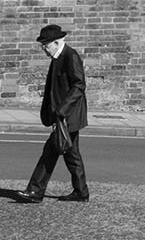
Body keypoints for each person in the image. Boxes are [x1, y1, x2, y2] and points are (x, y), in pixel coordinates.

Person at [20, 23, 90, 203]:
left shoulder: (70, 56)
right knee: (71, 155)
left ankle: (35, 191)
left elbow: (79, 85)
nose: (44, 48)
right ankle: (81, 192)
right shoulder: (58, 56)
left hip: (69, 116)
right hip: (63, 116)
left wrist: (62, 110)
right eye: (43, 45)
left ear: (58, 42)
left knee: (50, 152)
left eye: (46, 45)